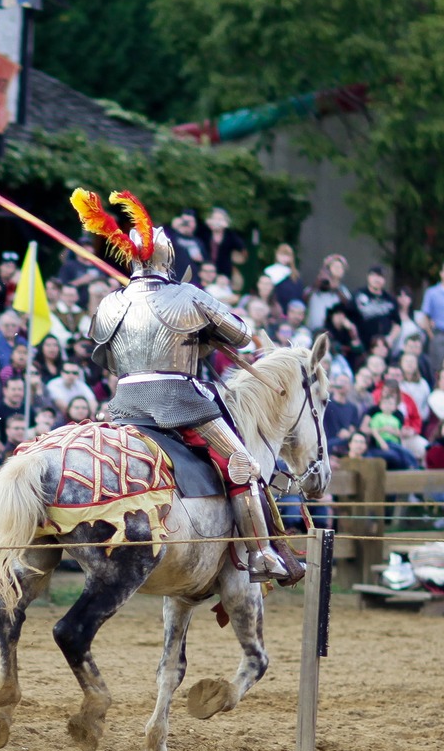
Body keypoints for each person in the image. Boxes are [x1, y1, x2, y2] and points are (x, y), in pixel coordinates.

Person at [72, 187, 297, 583]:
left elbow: (106, 357)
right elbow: (243, 336)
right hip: (177, 399)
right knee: (242, 463)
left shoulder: (111, 302)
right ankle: (261, 552)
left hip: (124, 402)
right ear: (168, 257)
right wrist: (205, 334)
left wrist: (195, 340)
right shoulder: (187, 295)